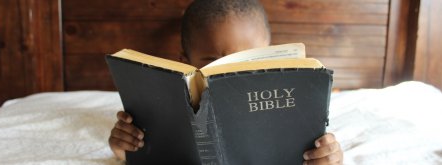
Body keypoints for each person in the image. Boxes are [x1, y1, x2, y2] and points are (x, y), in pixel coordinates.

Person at [109, 0, 343, 164]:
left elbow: (316, 150)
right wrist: (124, 147)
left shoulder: (289, 102)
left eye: (248, 60)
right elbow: (137, 152)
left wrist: (328, 157)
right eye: (213, 62)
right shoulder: (166, 108)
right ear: (186, 62)